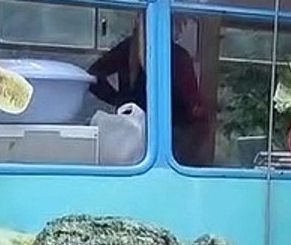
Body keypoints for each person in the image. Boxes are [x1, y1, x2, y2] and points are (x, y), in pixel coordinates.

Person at [88, 26, 212, 165]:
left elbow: (93, 77)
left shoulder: (131, 49)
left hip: (139, 131)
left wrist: (120, 100)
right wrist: (119, 100)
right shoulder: (177, 56)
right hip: (164, 133)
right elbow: (193, 103)